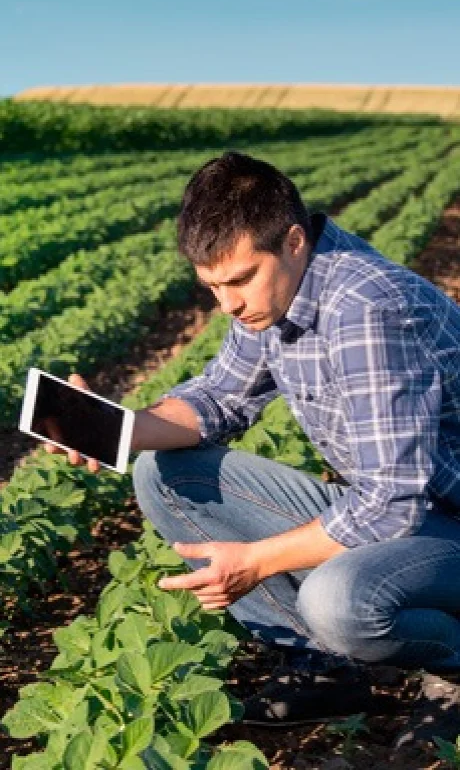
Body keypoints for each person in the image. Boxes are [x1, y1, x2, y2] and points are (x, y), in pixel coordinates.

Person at [55, 152, 460, 745]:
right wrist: (118, 425)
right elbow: (219, 398)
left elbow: (390, 506)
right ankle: (327, 668)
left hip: (436, 517)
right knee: (165, 474)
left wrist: (255, 562)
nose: (228, 305)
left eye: (240, 279)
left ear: (294, 241)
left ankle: (451, 669)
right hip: (409, 515)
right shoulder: (278, 295)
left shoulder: (369, 310)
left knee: (338, 599)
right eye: (212, 285)